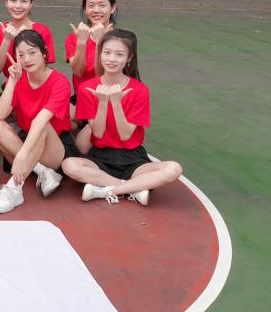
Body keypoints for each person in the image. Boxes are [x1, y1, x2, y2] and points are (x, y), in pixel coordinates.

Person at [61, 29, 183, 206]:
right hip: (101, 156)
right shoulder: (87, 88)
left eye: (119, 54)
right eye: (107, 52)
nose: (111, 59)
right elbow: (98, 133)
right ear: (100, 53)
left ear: (129, 58)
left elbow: (125, 135)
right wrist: (103, 102)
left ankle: (106, 190)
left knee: (174, 168)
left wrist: (116, 103)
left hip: (133, 158)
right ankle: (133, 188)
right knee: (69, 165)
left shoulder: (140, 90)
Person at [0, 30, 79, 213]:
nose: (26, 59)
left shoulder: (59, 82)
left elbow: (40, 121)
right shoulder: (19, 78)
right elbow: (1, 114)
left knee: (42, 125)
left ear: (44, 53)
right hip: (29, 139)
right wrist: (12, 81)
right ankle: (41, 171)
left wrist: (21, 155)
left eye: (32, 52)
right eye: (20, 55)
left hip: (55, 146)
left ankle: (14, 188)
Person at [0, 0, 55, 122]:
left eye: (24, 1)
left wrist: (26, 42)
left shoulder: (41, 31)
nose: (18, 6)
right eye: (13, 0)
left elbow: (45, 70)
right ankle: (20, 125)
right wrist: (7, 40)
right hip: (12, 87)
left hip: (37, 88)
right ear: (6, 2)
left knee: (41, 114)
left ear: (31, 3)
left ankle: (26, 126)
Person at [67, 0, 118, 101]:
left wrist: (100, 41)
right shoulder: (74, 38)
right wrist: (81, 42)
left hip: (112, 97)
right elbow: (78, 72)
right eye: (91, 5)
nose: (96, 10)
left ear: (112, 8)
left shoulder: (121, 39)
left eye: (102, 5)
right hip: (82, 98)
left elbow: (102, 76)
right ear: (85, 9)